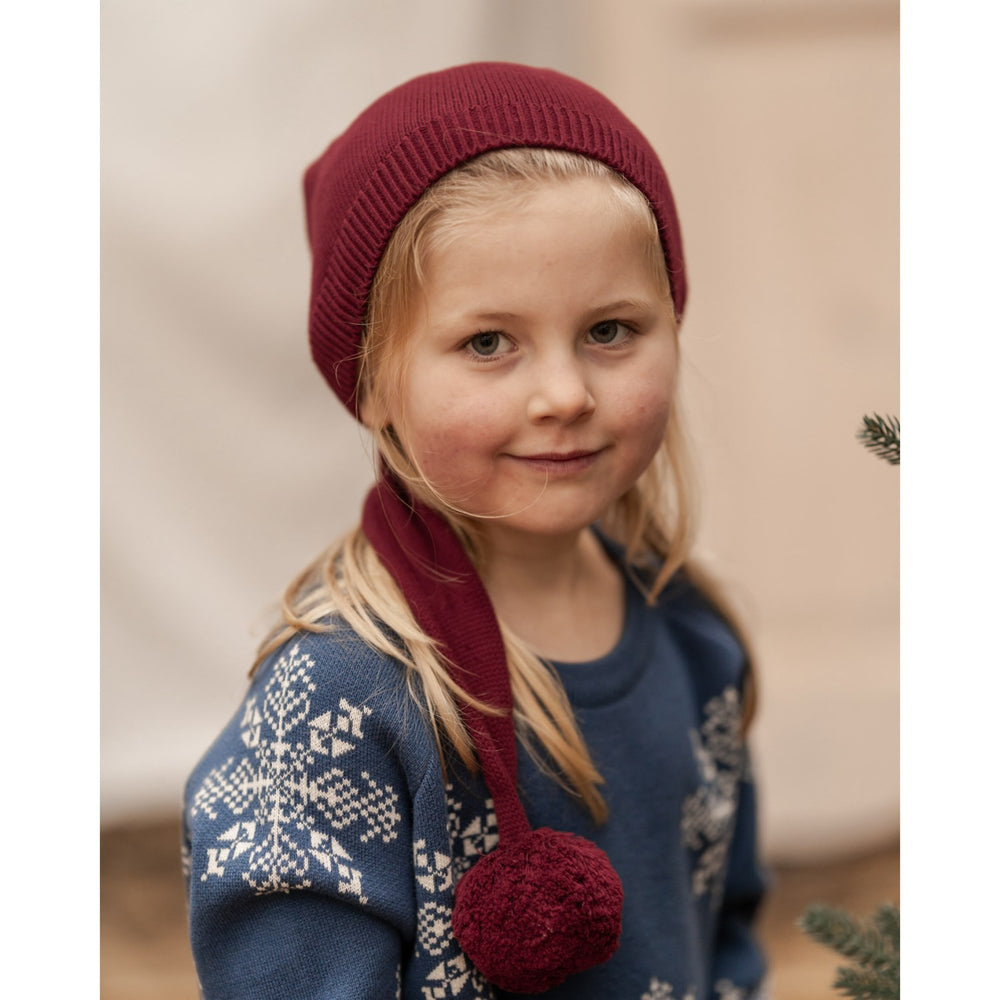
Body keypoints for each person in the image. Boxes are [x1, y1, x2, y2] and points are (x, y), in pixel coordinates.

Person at [184, 62, 768, 1000]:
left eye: (611, 331)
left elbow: (727, 935)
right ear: (374, 381)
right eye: (488, 343)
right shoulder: (339, 700)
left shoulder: (693, 630)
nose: (565, 395)